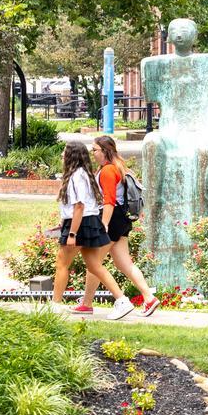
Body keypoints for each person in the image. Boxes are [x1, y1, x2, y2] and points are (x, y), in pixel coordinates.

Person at [55, 141, 133, 319]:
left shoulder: (77, 175)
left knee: (62, 263)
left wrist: (72, 233)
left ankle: (55, 305)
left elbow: (80, 207)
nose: (61, 155)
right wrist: (63, 222)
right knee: (94, 266)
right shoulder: (81, 174)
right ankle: (122, 300)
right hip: (84, 222)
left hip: (81, 223)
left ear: (72, 155)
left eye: (64, 152)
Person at [94, 135, 159, 317]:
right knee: (124, 263)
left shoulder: (108, 171)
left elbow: (109, 201)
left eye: (95, 150)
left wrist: (104, 224)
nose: (93, 154)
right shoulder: (119, 168)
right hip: (123, 219)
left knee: (93, 262)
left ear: (104, 151)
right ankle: (149, 298)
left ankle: (121, 301)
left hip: (112, 218)